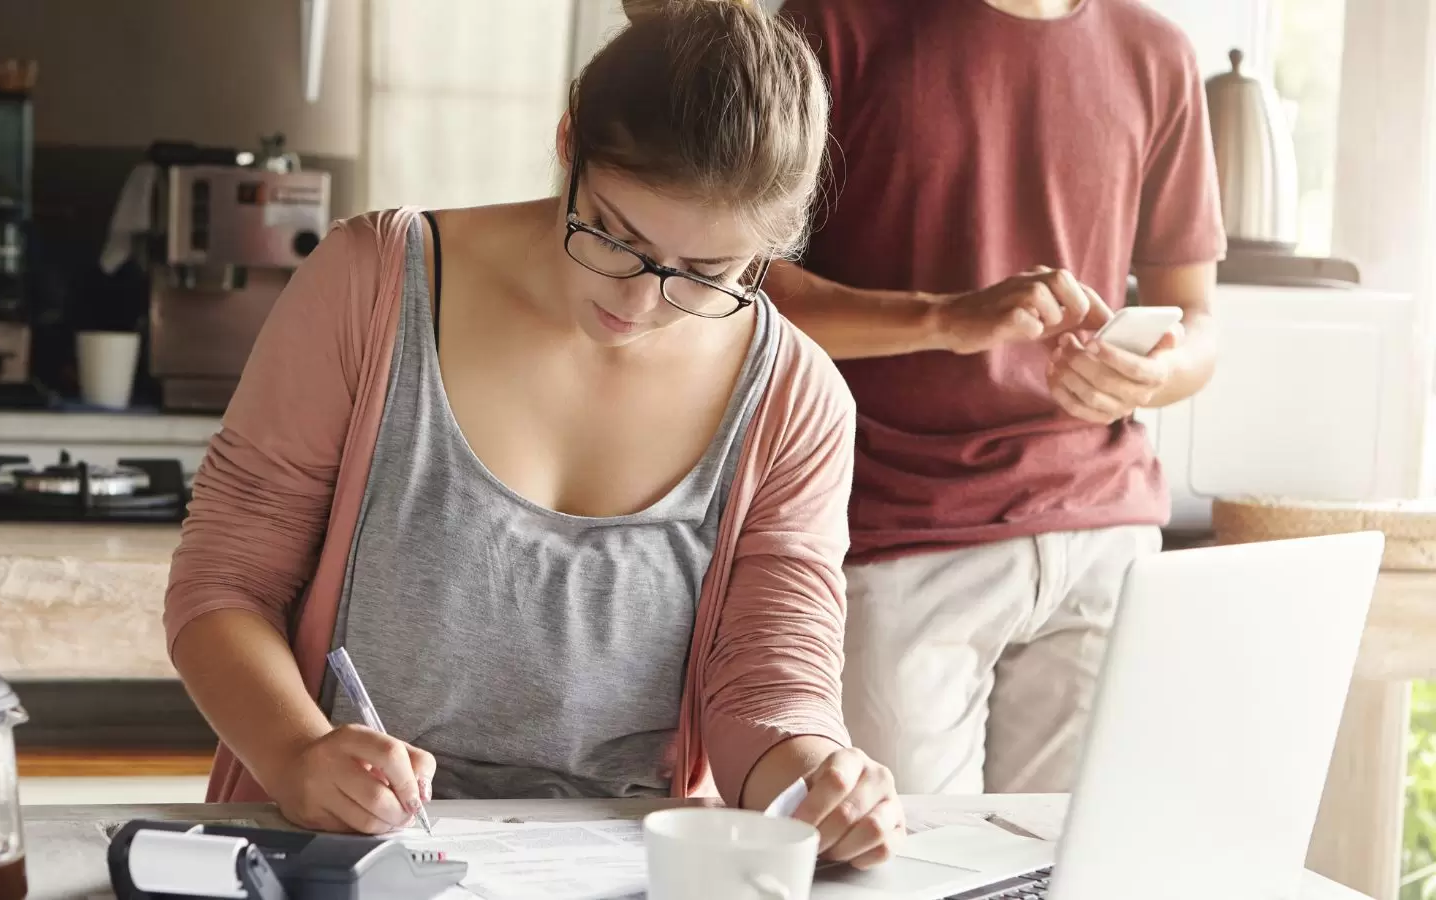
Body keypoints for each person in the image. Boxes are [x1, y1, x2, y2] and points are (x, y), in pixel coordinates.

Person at [163, 0, 902, 870]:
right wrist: (294, 755)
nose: (636, 303)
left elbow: (768, 683)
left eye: (705, 274)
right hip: (348, 854)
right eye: (615, 235)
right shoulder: (370, 285)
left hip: (624, 869)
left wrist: (817, 784)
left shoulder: (795, 399)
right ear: (568, 145)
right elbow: (223, 586)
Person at [769, 0, 1225, 794]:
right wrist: (942, 318)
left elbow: (1200, 320)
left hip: (1103, 537)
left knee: (1077, 869)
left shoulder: (1158, 53)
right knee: (909, 872)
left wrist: (1155, 370)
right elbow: (745, 283)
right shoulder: (830, 24)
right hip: (897, 537)